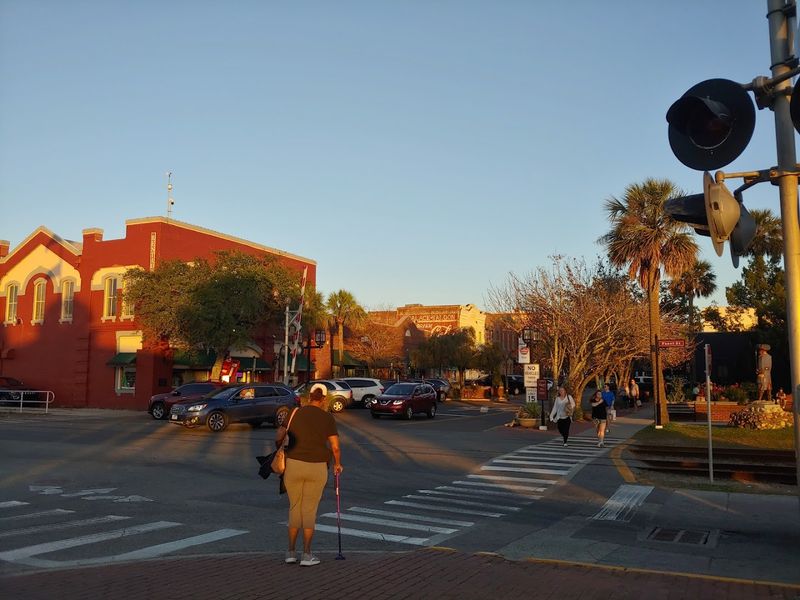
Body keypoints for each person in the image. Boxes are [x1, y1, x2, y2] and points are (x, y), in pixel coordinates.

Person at [275, 383, 343, 567]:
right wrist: (337, 464)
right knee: (309, 510)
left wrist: (281, 447)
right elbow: (335, 447)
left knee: (294, 507)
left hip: (294, 464)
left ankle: (290, 552)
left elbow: (279, 433)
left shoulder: (294, 413)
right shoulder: (327, 418)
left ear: (309, 396)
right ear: (324, 399)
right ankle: (307, 554)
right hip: (317, 467)